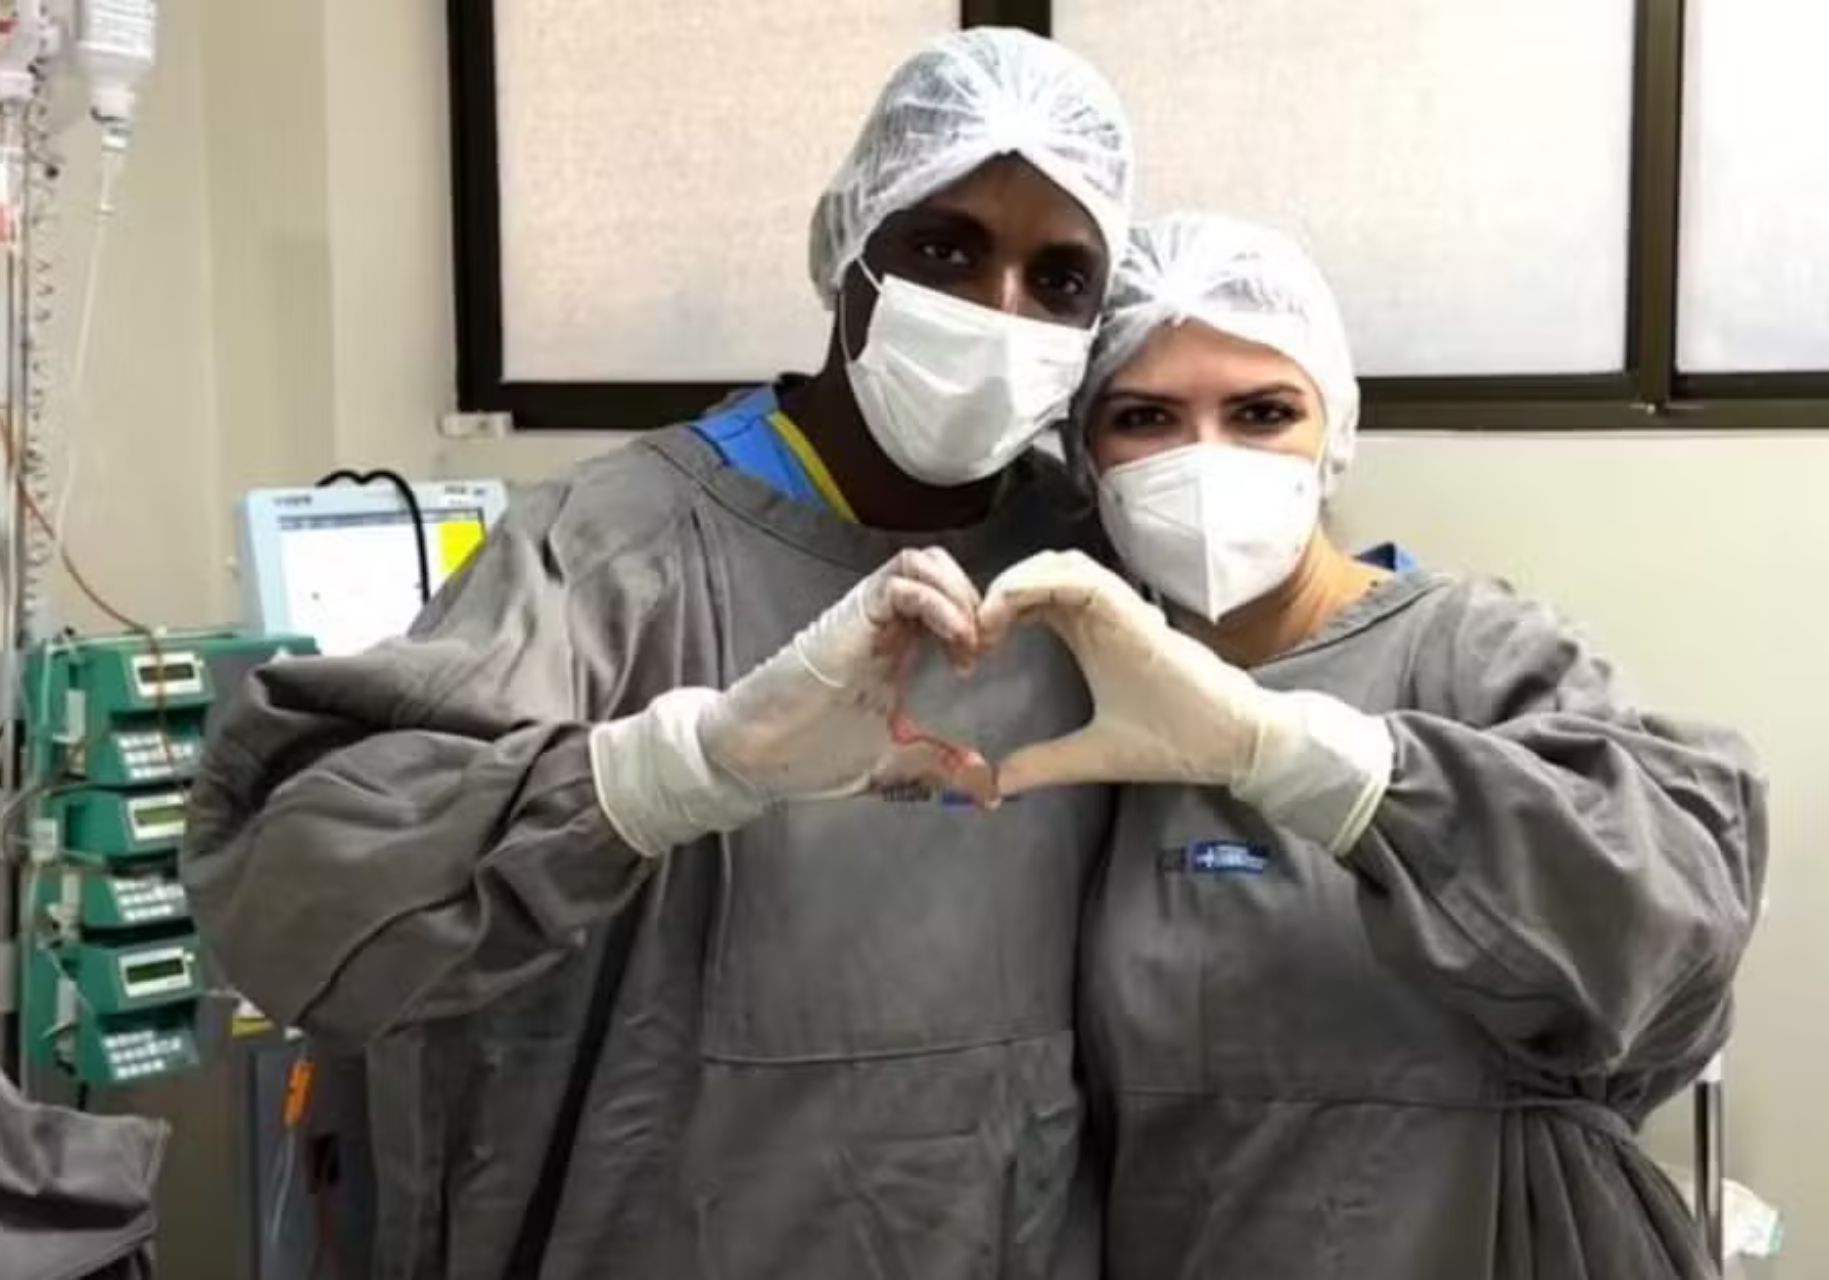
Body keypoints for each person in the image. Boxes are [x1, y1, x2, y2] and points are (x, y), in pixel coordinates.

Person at [183, 29, 1132, 1280]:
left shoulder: (1092, 577)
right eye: (946, 248)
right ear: (848, 254)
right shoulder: (611, 552)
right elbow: (285, 888)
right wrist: (659, 774)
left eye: (1059, 279)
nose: (999, 311)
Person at [978, 212, 1768, 1279]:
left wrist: (1319, 766)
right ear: (1087, 455)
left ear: (1332, 432)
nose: (1203, 457)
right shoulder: (1085, 703)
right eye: (1146, 416)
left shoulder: (1467, 650)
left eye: (1261, 411)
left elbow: (1673, 918)